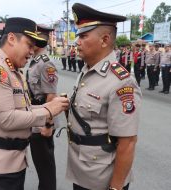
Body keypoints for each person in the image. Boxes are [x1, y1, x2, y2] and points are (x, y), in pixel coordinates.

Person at [0, 17, 69, 190]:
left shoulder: (13, 70)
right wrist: (47, 111)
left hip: (9, 161)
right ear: (12, 39)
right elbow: (7, 118)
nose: (32, 51)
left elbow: (24, 109)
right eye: (29, 45)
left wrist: (50, 108)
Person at [65, 3, 142, 190]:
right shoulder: (87, 70)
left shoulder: (122, 82)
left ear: (105, 39)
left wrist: (115, 187)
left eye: (83, 36)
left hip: (102, 178)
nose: (77, 42)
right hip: (82, 170)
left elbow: (127, 142)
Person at [26, 24, 57, 190]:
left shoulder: (46, 64)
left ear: (39, 42)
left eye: (33, 39)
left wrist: (47, 124)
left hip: (42, 119)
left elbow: (51, 96)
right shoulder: (36, 62)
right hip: (36, 116)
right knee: (40, 162)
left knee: (45, 165)